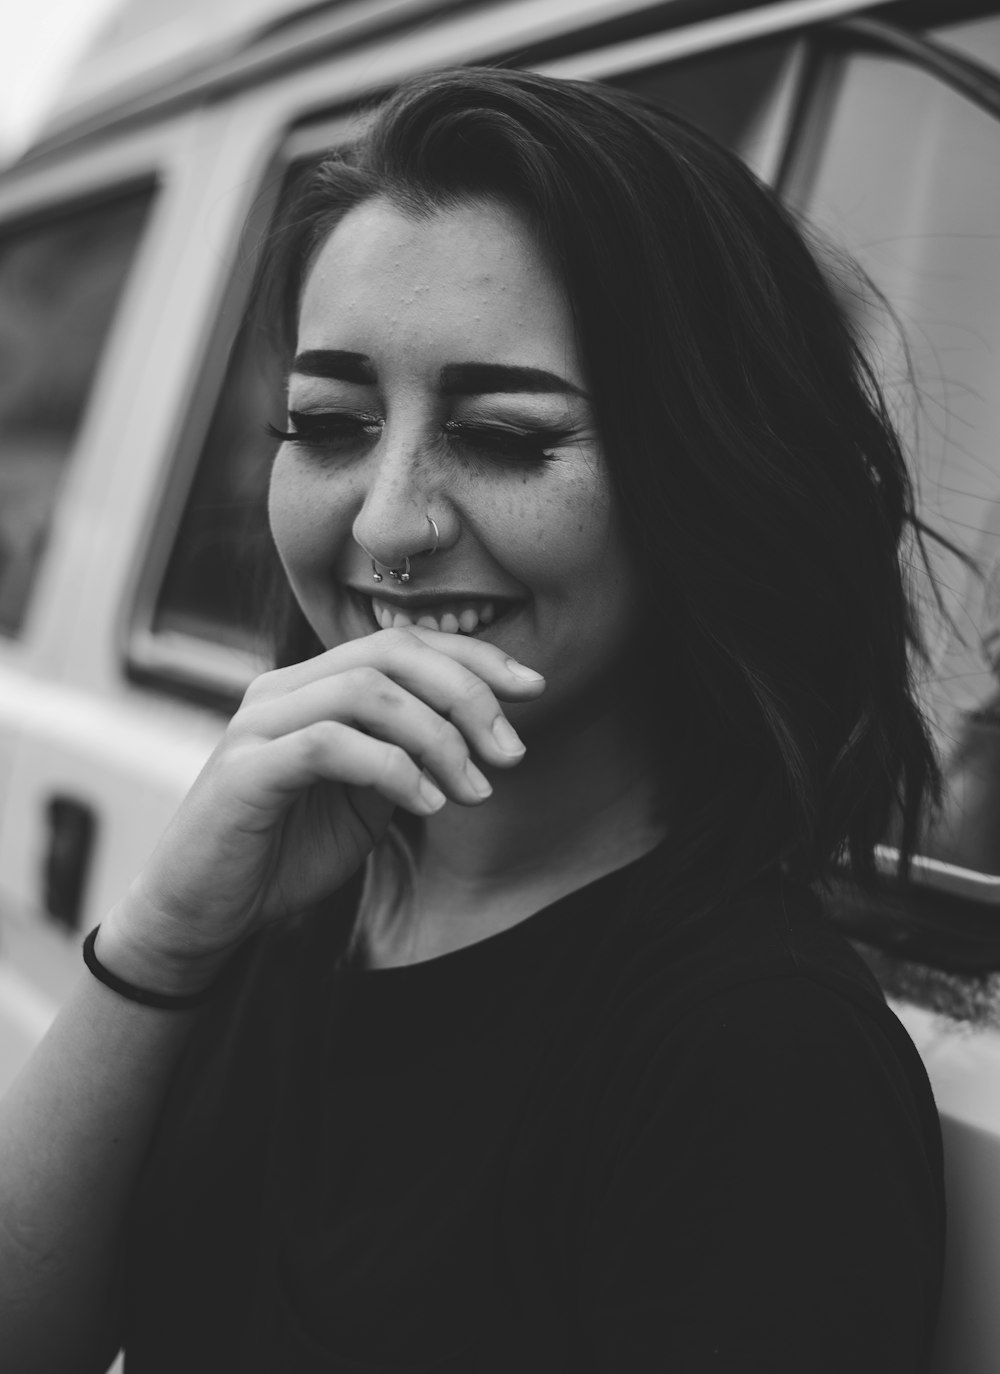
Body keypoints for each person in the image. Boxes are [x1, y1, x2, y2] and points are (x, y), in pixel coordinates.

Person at [0, 66, 946, 1373]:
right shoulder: (299, 893)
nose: (388, 523)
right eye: (330, 424)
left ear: (709, 474)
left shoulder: (754, 1057)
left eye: (502, 436)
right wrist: (165, 934)